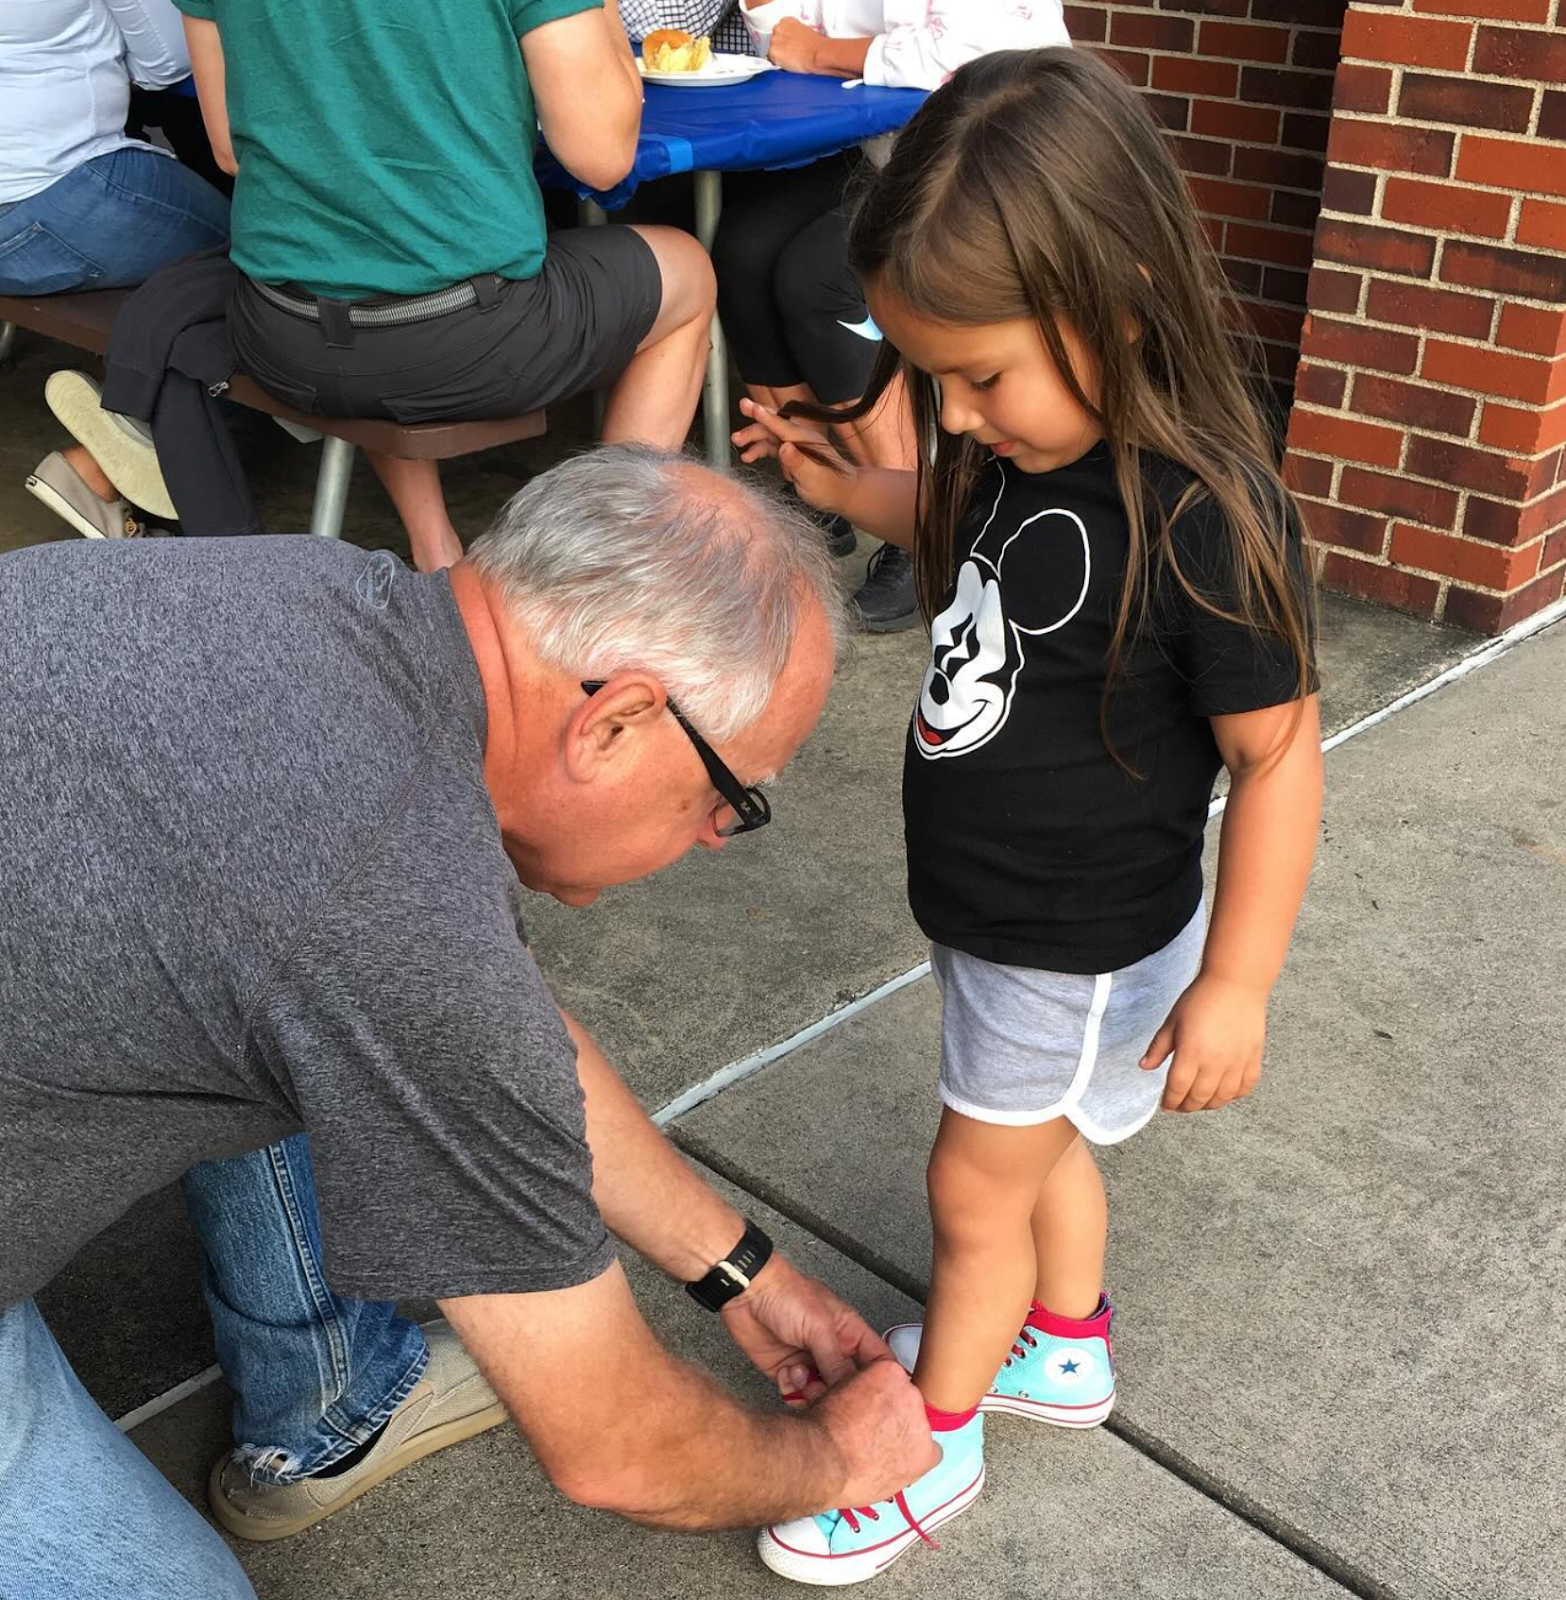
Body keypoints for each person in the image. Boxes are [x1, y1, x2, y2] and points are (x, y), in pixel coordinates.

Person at [0, 447, 939, 1600]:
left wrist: (744, 1272)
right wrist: (842, 1457)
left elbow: (497, 1038)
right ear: (619, 722)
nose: (714, 836)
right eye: (731, 799)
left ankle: (330, 1391)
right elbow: (616, 1446)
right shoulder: (387, 908)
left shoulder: (319, 592)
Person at [734, 49, 1323, 1582]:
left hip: (1069, 932)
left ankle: (920, 1448)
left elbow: (1277, 756)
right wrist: (825, 473)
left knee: (969, 1191)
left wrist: (1237, 983)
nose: (953, 411)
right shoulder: (1018, 450)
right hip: (998, 916)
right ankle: (1059, 1343)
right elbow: (935, 526)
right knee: (1038, 1141)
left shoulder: (1202, 511)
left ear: (1114, 297)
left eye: (977, 375)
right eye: (931, 375)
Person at [137, 0, 719, 572]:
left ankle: (435, 548)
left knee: (360, 237)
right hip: (464, 343)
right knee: (688, 271)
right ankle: (593, 571)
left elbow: (229, 149)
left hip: (281, 331)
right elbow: (603, 157)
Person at [715, 0, 1069, 631]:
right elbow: (786, 37)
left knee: (818, 277)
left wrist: (821, 53)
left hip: (996, 161)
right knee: (741, 251)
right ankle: (821, 476)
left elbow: (959, 59)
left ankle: (919, 531)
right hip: (883, 151)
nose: (959, 409)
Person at [2, 0, 231, 540]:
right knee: (262, 254)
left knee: (189, 270)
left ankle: (116, 442)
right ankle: (105, 454)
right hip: (49, 193)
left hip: (25, 206)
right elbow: (167, 62)